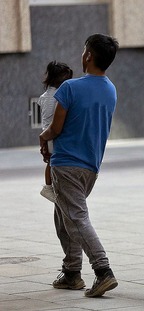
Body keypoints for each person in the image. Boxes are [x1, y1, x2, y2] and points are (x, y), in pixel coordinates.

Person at [39, 33, 119, 298]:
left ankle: (103, 270)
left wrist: (43, 136)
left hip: (67, 163)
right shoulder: (110, 89)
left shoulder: (69, 88)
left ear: (88, 56)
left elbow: (55, 128)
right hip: (91, 166)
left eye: (85, 50)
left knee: (76, 217)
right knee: (65, 215)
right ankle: (72, 272)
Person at [37, 61, 73, 203]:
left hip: (46, 133)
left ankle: (48, 186)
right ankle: (49, 187)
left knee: (51, 162)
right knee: (54, 162)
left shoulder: (44, 95)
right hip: (54, 133)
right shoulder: (59, 95)